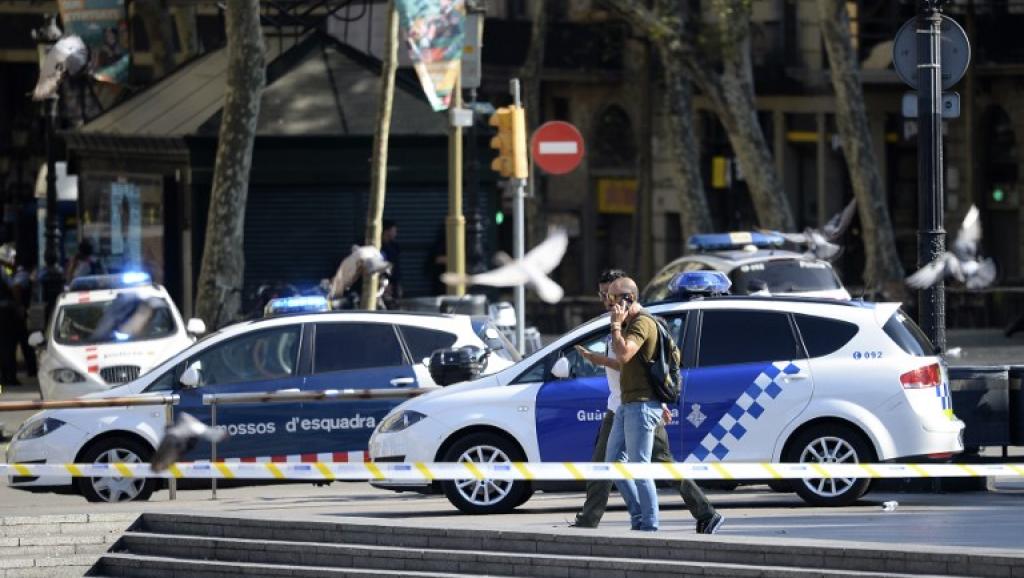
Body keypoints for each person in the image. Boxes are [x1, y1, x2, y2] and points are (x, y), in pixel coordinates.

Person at [572, 271, 724, 534]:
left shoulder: (637, 323)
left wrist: (615, 327)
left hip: (639, 405)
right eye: (603, 295)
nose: (606, 301)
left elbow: (627, 356)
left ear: (627, 297)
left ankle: (658, 521)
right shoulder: (623, 323)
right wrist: (599, 359)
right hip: (622, 404)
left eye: (610, 296)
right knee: (610, 464)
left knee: (644, 465)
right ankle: (636, 517)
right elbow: (630, 365)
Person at [380, 220, 402, 308]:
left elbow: (396, 267)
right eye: (394, 231)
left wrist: (398, 285)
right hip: (383, 284)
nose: (395, 234)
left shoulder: (394, 247)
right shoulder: (379, 247)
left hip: (394, 283)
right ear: (386, 231)